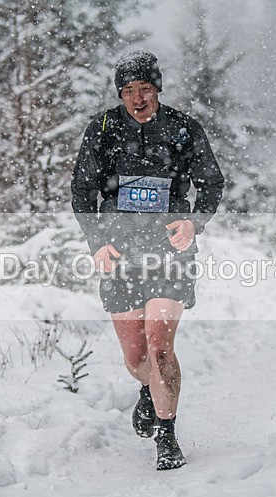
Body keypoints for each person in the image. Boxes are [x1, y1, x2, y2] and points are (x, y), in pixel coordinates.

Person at [71, 51, 225, 470]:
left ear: (158, 89)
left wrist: (194, 224)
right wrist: (96, 243)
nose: (137, 99)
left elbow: (211, 182)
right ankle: (148, 390)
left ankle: (167, 434)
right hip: (119, 252)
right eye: (128, 91)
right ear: (119, 94)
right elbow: (83, 193)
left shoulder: (182, 128)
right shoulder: (103, 129)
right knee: (136, 359)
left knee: (160, 347)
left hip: (168, 250)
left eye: (145, 89)